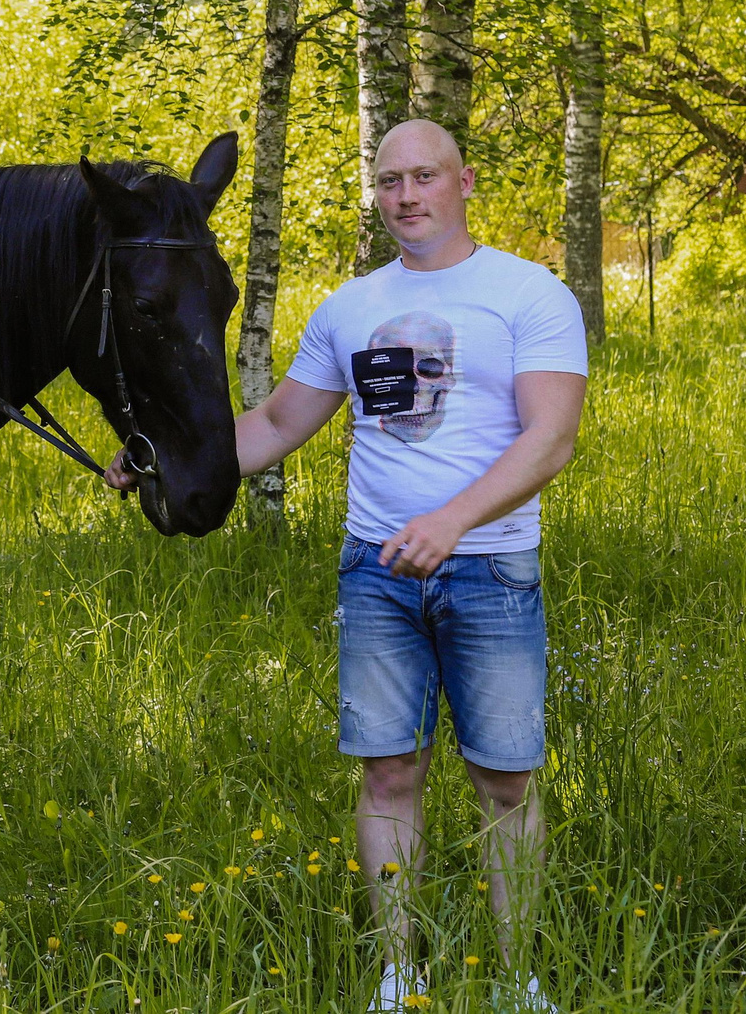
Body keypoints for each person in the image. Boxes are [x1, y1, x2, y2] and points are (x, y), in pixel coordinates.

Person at [229, 120, 588, 1012]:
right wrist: (167, 465)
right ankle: (400, 973)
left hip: (493, 572)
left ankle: (516, 979)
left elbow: (553, 438)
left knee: (505, 778)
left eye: (423, 177)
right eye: (389, 182)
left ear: (466, 181)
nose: (406, 196)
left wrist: (451, 522)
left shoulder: (530, 293)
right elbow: (274, 427)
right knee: (389, 772)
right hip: (376, 573)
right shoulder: (349, 305)